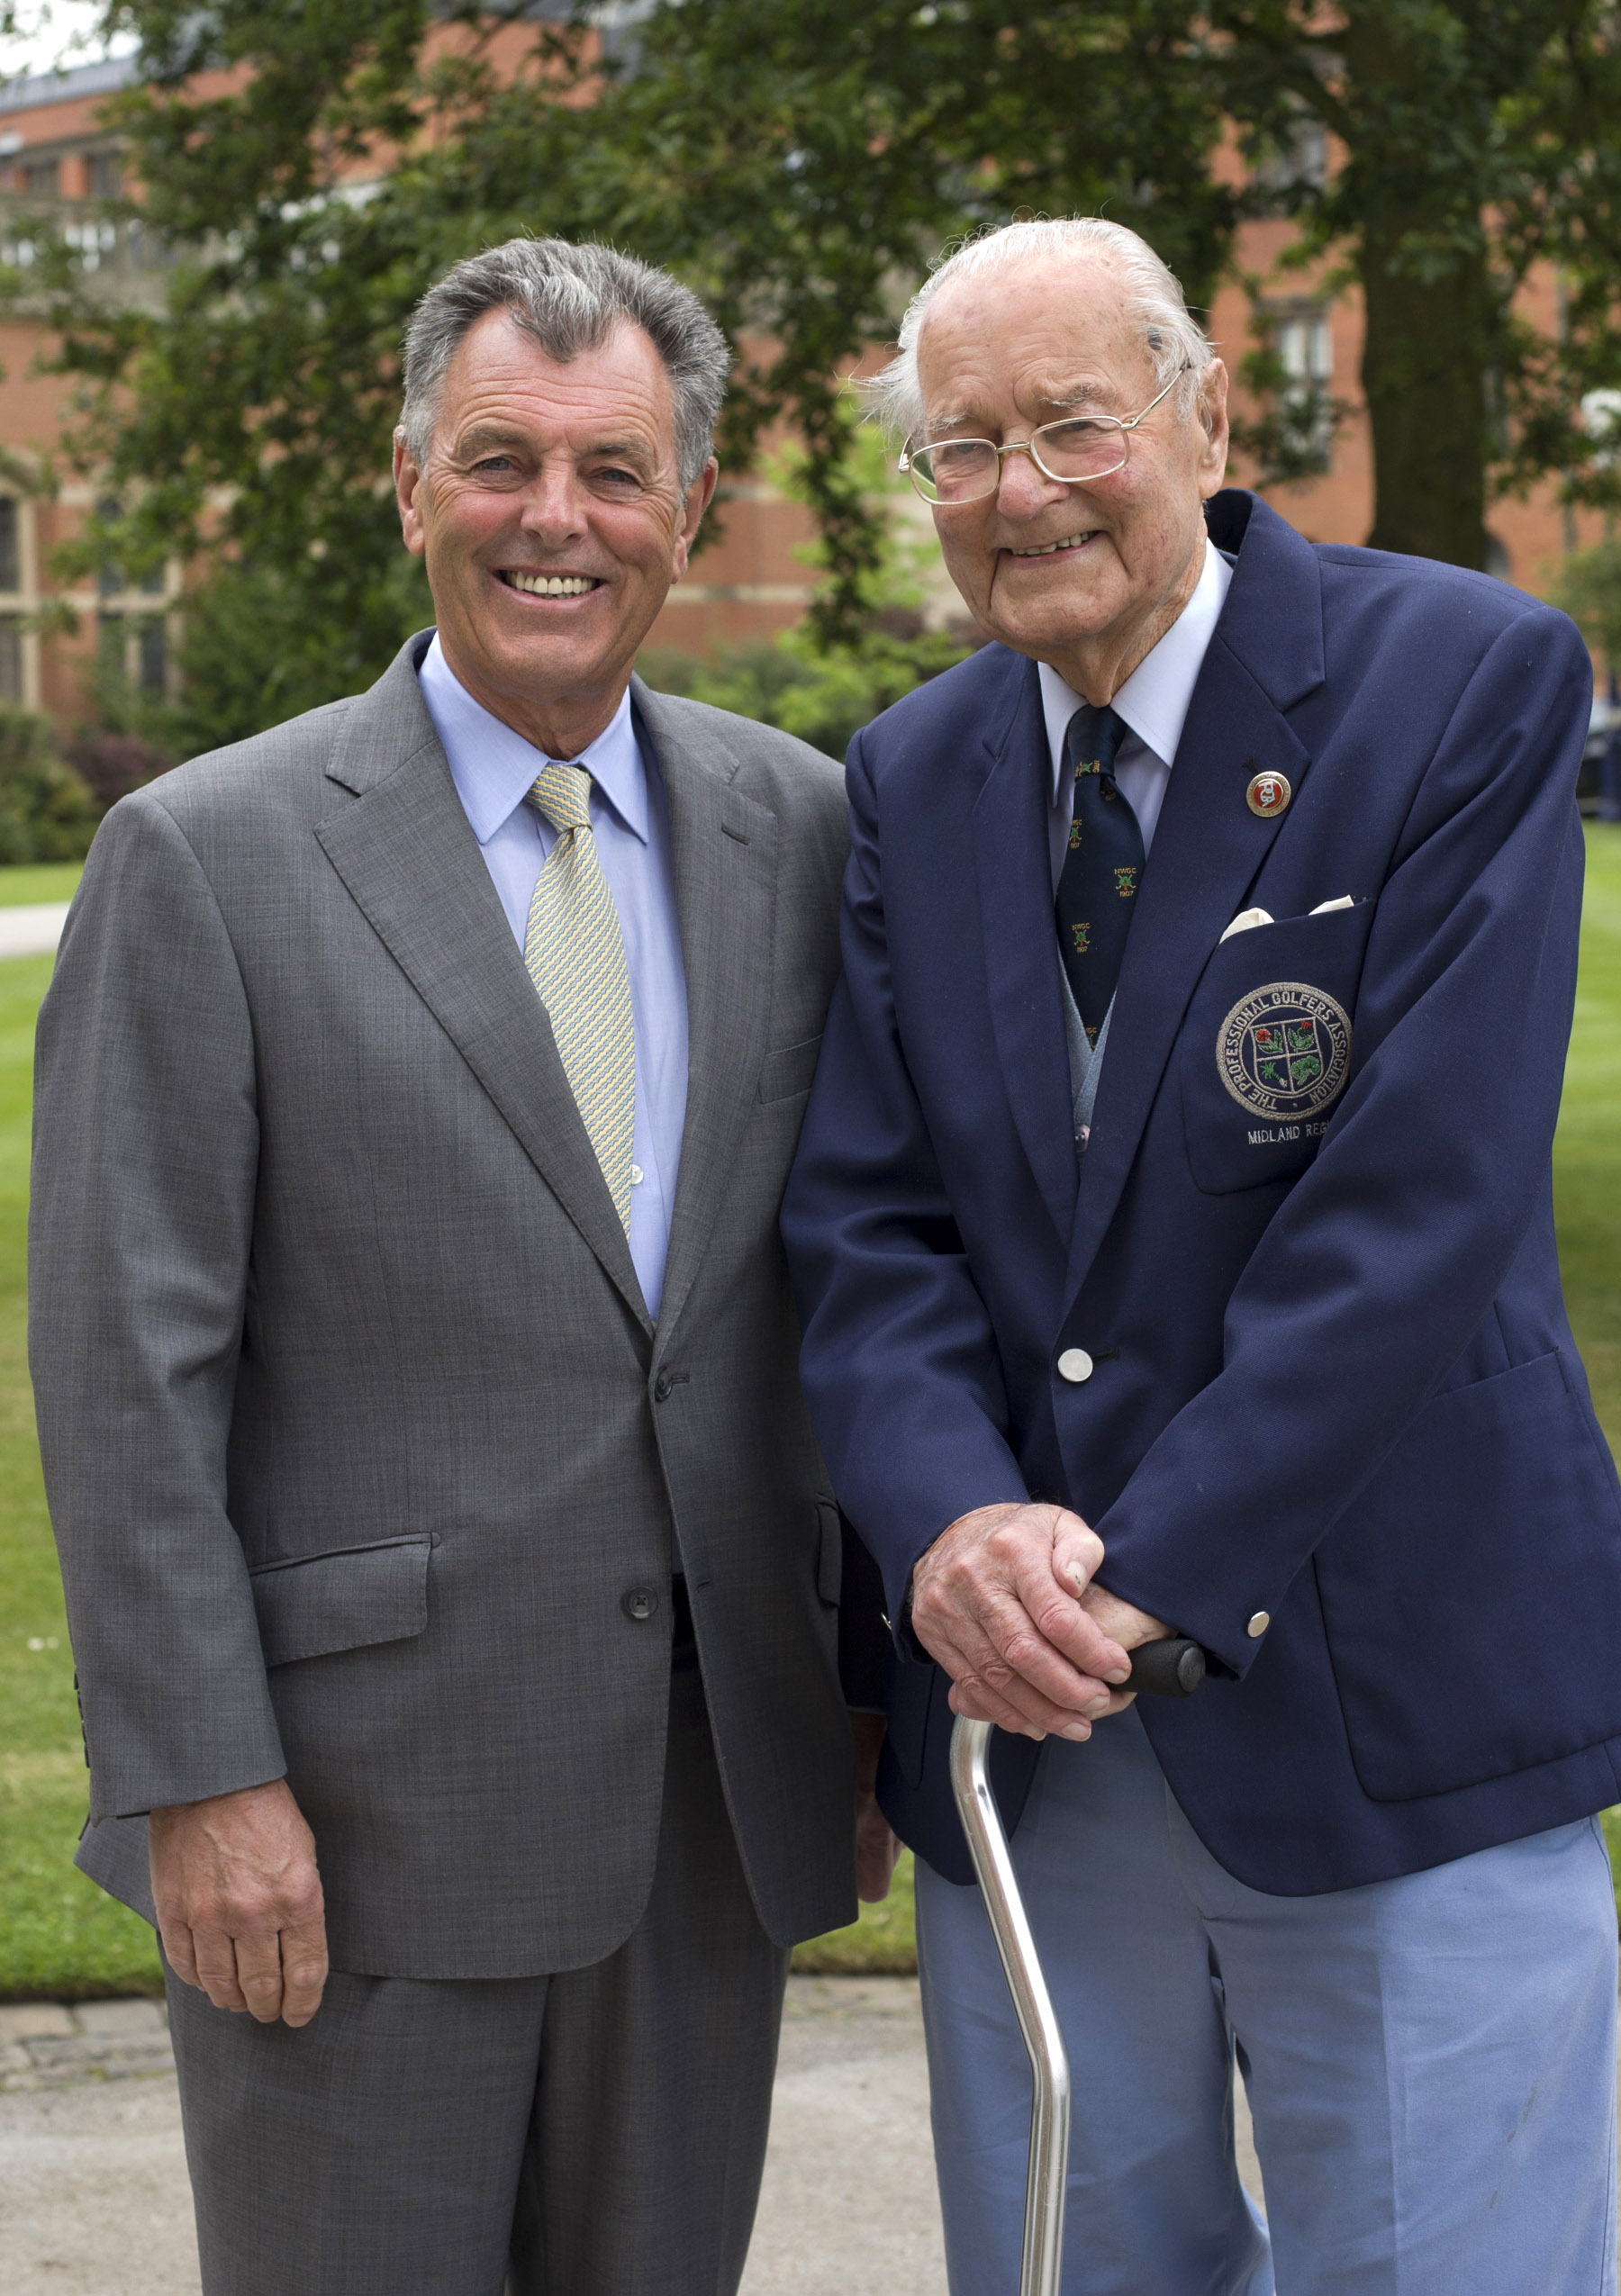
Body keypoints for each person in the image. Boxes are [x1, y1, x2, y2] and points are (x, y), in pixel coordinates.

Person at [31, 235, 892, 2296]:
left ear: (692, 502)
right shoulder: (210, 859)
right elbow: (127, 1368)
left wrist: (861, 1694)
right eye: (502, 460)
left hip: (713, 1806)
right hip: (351, 1838)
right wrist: (203, 1779)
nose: (554, 518)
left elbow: (863, 1287)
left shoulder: (809, 831)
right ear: (412, 483)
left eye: (613, 471)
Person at [782, 214, 1621, 2295]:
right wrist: (956, 1533)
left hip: (1394, 1700)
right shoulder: (914, 773)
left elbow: (1416, 1208)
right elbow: (870, 1227)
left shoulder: (1462, 679)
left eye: (1073, 424)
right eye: (963, 447)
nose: (1022, 490)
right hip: (1037, 1750)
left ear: (1208, 415)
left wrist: (1132, 1581)